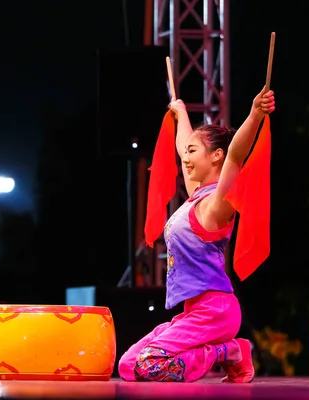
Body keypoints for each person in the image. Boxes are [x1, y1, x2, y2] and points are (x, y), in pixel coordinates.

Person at [118, 87, 275, 383]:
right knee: (128, 365)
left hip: (215, 310)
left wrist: (255, 114)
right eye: (186, 151)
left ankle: (229, 352)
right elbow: (182, 149)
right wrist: (181, 113)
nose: (185, 157)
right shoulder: (195, 198)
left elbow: (237, 155)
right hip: (195, 311)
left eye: (193, 151)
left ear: (217, 156)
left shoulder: (218, 205)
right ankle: (226, 350)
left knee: (148, 365)